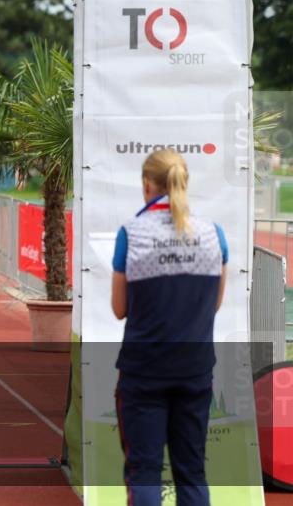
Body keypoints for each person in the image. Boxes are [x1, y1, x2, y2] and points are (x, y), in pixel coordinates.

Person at [111, 150, 227, 506]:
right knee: (191, 471)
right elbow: (216, 304)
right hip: (194, 370)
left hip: (144, 371)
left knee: (144, 470)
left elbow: (119, 309)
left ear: (147, 184)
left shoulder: (132, 233)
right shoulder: (213, 233)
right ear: (183, 181)